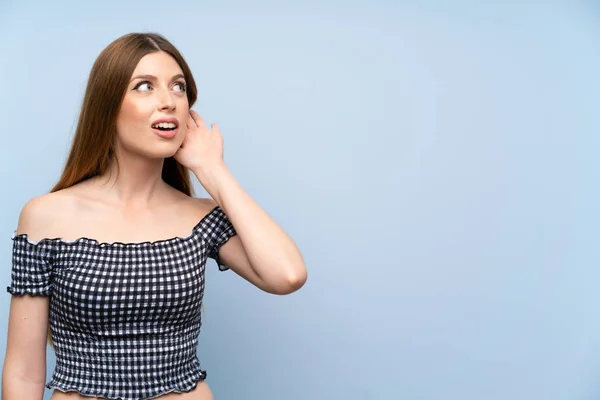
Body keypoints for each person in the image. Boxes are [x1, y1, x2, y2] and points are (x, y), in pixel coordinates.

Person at [1, 32, 307, 400]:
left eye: (178, 88)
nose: (168, 102)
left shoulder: (200, 218)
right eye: (144, 86)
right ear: (108, 104)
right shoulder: (44, 217)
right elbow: (22, 374)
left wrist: (213, 171)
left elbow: (287, 275)